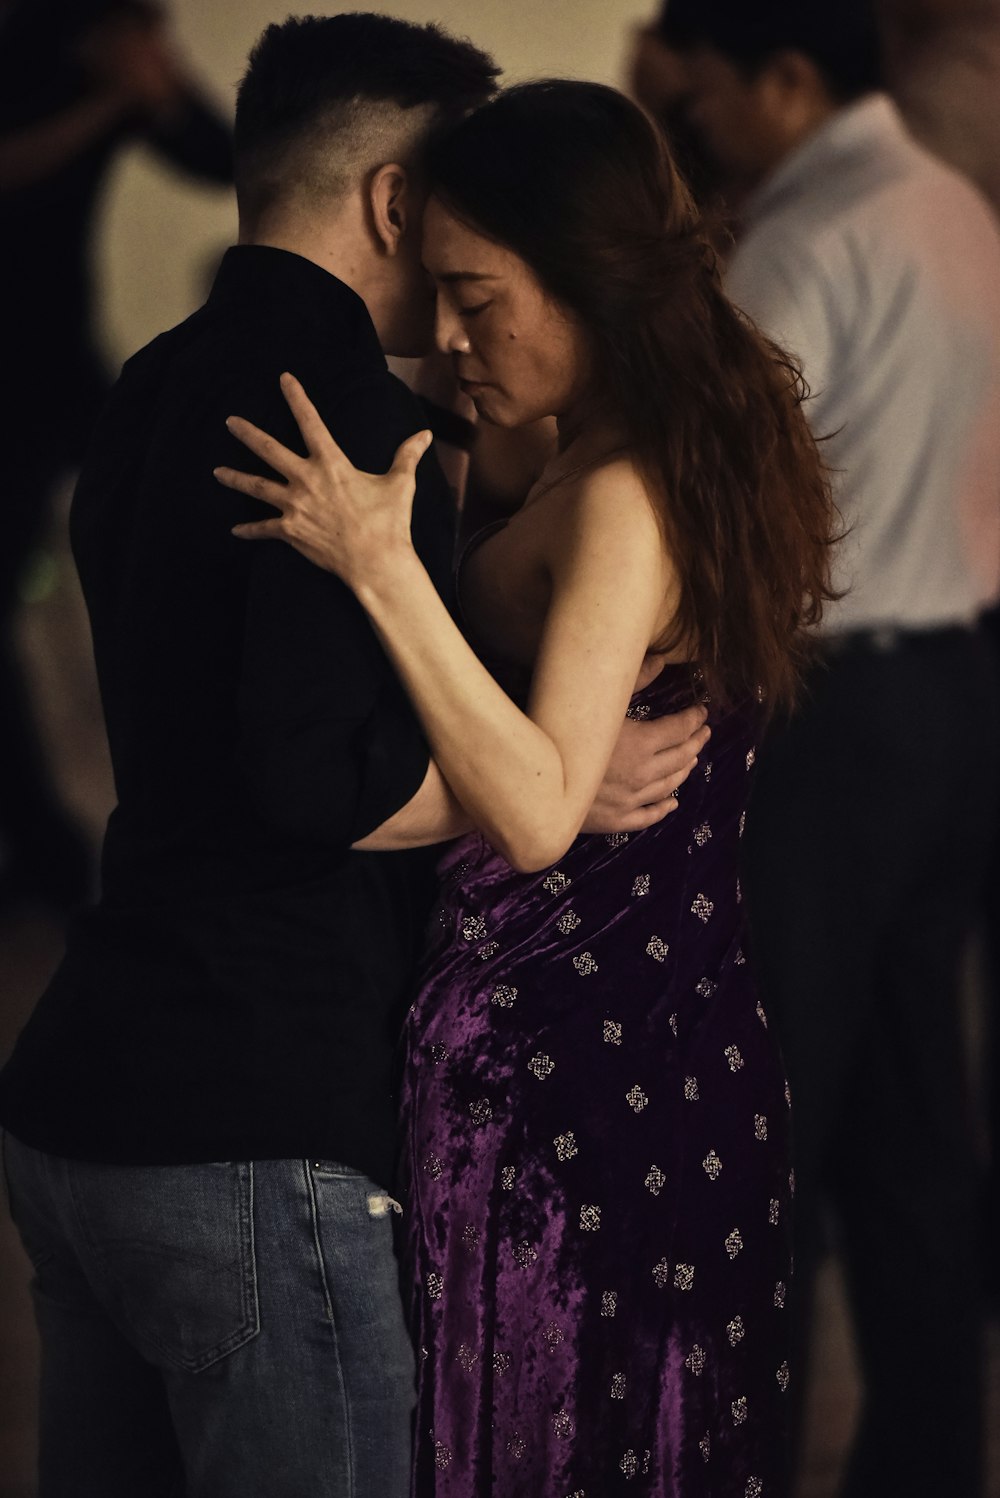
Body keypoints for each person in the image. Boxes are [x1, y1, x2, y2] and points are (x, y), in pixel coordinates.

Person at [0, 18, 708, 1497]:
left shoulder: (148, 381)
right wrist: (552, 781)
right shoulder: (356, 425)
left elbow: (210, 747)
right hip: (252, 1130)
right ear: (395, 202)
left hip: (84, 1099)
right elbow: (317, 775)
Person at [216, 77, 840, 1497]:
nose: (445, 335)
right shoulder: (637, 438)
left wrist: (380, 568)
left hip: (576, 1081)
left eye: (476, 298)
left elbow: (544, 813)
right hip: (647, 1047)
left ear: (585, 283)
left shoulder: (626, 493)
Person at [657, 2, 1000, 1493]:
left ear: (791, 82)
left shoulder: (806, 239)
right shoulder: (951, 204)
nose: (704, 124)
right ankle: (925, 1459)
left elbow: (712, 494)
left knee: (770, 1111)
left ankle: (750, 1458)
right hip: (956, 692)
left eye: (713, 94)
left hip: (828, 710)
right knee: (918, 1110)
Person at [0, 0, 232, 914]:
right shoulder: (24, 54)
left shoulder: (120, 67)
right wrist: (109, 106)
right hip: (12, 396)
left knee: (158, 571)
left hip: (62, 376)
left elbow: (224, 160)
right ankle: (52, 856)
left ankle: (134, 833)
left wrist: (156, 89)